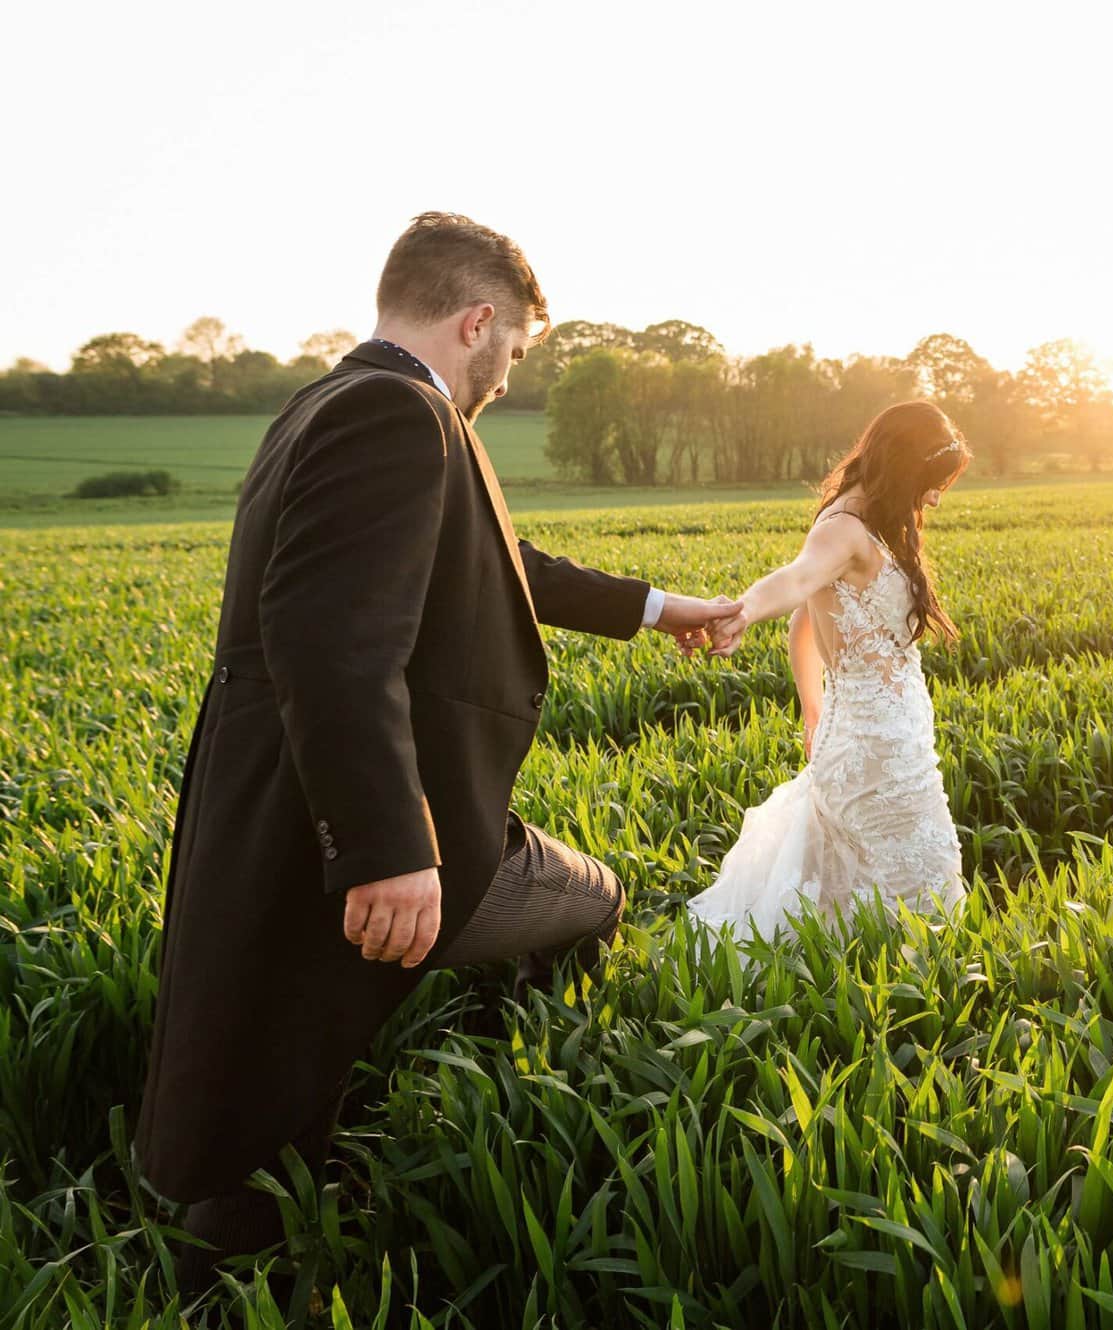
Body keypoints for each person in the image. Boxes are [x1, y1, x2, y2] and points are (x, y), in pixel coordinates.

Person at [132, 212, 742, 1288]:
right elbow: (325, 638)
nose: (509, 376)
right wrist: (384, 845)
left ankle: (234, 1259)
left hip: (276, 797)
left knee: (274, 1029)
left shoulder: (331, 399)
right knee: (591, 897)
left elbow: (505, 558)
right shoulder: (396, 414)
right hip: (372, 813)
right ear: (477, 321)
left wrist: (655, 607)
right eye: (513, 349)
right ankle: (266, 1256)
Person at [686, 401, 970, 937]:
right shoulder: (842, 528)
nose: (934, 497)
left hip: (891, 741)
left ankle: (886, 990)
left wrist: (812, 708)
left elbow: (804, 621)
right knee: (919, 888)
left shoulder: (874, 522)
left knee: (887, 887)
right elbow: (795, 581)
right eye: (932, 483)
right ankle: (906, 998)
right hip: (875, 750)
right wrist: (739, 613)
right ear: (904, 466)